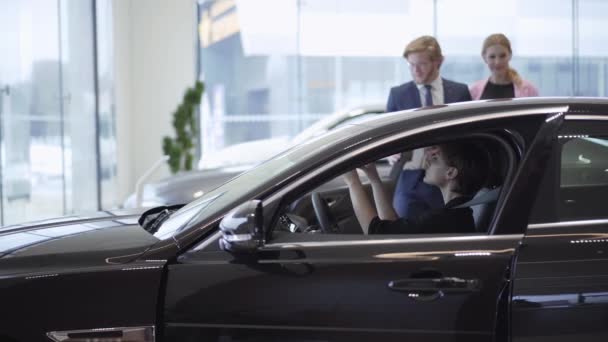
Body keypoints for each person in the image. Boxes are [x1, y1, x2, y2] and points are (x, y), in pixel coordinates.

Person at [385, 35, 472, 219]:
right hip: (409, 181)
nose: (415, 70)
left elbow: (469, 138)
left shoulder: (459, 92)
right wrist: (391, 152)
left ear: (438, 62)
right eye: (411, 65)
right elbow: (387, 137)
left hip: (449, 180)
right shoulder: (398, 95)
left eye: (421, 64)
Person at [343, 142, 487, 235]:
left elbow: (375, 233)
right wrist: (374, 179)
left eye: (436, 159)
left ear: (450, 173)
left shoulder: (442, 220)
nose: (428, 160)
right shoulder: (457, 215)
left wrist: (352, 181)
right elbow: (391, 228)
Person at [470, 33, 539, 100]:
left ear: (510, 55)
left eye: (502, 56)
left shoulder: (528, 90)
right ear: (484, 58)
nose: (497, 62)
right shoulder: (474, 91)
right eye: (492, 57)